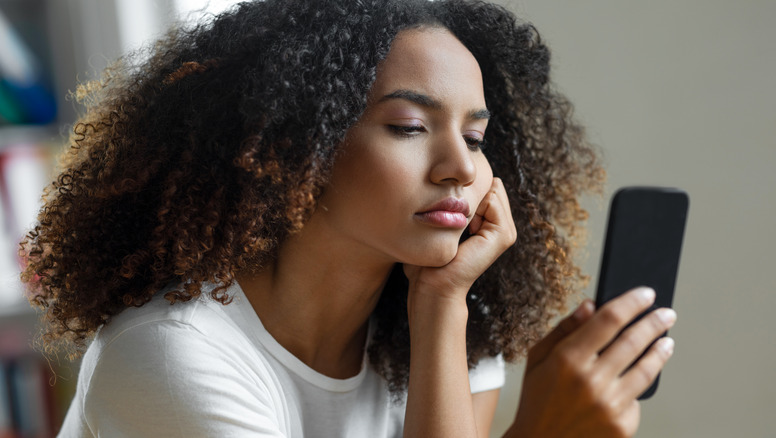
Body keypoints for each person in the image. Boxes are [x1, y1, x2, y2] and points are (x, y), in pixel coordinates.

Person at [21, 0, 676, 437]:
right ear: (295, 145)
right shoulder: (172, 359)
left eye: (476, 139)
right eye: (409, 126)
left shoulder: (441, 322)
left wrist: (443, 306)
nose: (460, 167)